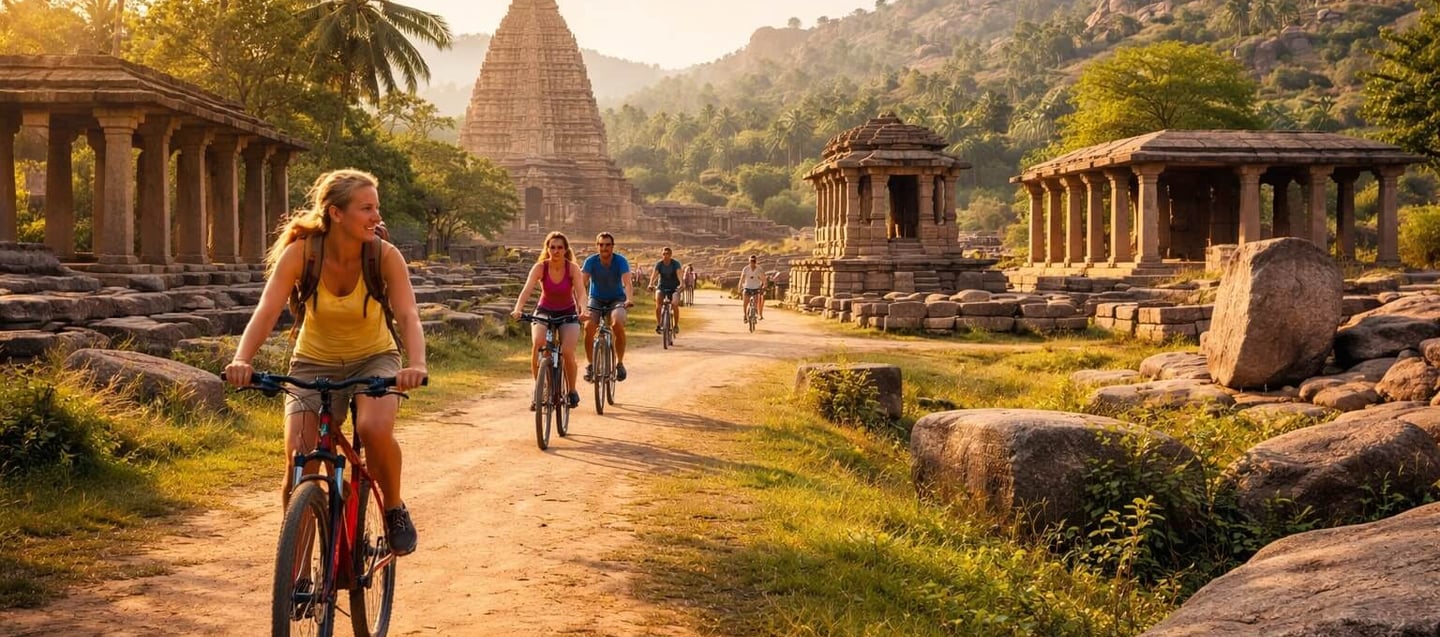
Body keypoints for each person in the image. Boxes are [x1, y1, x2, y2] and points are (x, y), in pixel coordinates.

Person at [223, 168, 427, 556]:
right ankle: (296, 576)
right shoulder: (301, 254)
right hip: (312, 362)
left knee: (372, 427)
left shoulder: (384, 255)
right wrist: (241, 359)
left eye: (376, 208)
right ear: (336, 213)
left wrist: (415, 364)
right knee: (300, 462)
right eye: (366, 208)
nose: (376, 217)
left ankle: (396, 507)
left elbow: (408, 314)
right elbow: (267, 311)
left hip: (375, 358)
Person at [510, 232, 588, 409]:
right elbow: (527, 290)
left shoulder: (572, 268)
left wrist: (584, 310)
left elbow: (581, 293)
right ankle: (539, 389)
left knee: (567, 351)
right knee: (538, 343)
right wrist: (518, 309)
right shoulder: (540, 267)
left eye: (560, 247)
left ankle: (572, 390)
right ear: (547, 248)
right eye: (552, 247)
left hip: (568, 312)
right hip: (544, 311)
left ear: (565, 249)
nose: (556, 251)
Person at [581, 232, 633, 382]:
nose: (604, 248)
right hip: (595, 299)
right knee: (588, 326)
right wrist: (579, 303)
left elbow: (627, 283)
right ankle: (590, 364)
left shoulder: (620, 261)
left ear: (612, 246)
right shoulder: (590, 261)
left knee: (617, 323)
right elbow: (581, 284)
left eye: (608, 245)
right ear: (597, 246)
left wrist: (629, 299)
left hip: (617, 299)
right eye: (601, 245)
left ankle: (620, 363)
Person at [649, 246, 682, 334]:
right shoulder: (659, 264)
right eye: (664, 254)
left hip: (674, 288)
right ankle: (659, 324)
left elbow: (679, 274)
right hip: (662, 287)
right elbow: (654, 275)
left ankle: (675, 325)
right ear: (662, 255)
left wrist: (681, 283)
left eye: (667, 254)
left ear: (671, 255)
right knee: (658, 302)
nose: (665, 256)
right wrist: (651, 283)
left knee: (674, 304)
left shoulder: (675, 264)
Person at [738, 254, 767, 322]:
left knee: (756, 301)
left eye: (754, 261)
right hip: (747, 287)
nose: (752, 262)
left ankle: (755, 313)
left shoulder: (759, 269)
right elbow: (742, 278)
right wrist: (739, 287)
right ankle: (745, 315)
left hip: (756, 287)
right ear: (749, 261)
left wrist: (764, 286)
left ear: (756, 261)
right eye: (751, 261)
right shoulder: (746, 269)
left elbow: (764, 279)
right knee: (745, 302)